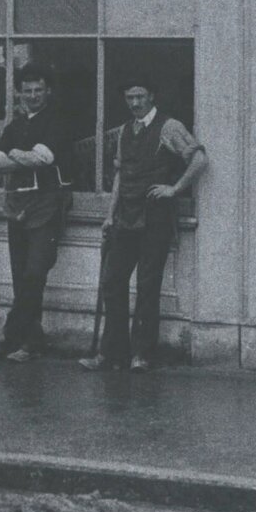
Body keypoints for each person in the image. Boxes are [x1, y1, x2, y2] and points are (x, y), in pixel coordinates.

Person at [81, 78, 206, 373]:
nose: (135, 103)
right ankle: (112, 353)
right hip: (125, 217)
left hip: (155, 219)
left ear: (151, 95)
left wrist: (174, 189)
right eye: (129, 97)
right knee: (113, 283)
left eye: (139, 96)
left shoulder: (169, 127)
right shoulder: (125, 130)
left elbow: (199, 159)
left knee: (147, 287)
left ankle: (142, 354)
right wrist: (110, 215)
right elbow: (120, 176)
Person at [0, 63, 69, 361]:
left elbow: (43, 158)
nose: (33, 96)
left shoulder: (58, 121)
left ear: (49, 92)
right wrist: (21, 157)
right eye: (27, 90)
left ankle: (10, 334)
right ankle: (31, 341)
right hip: (16, 205)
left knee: (34, 274)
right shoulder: (14, 126)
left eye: (38, 90)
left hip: (46, 206)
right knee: (21, 276)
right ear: (19, 93)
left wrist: (14, 156)